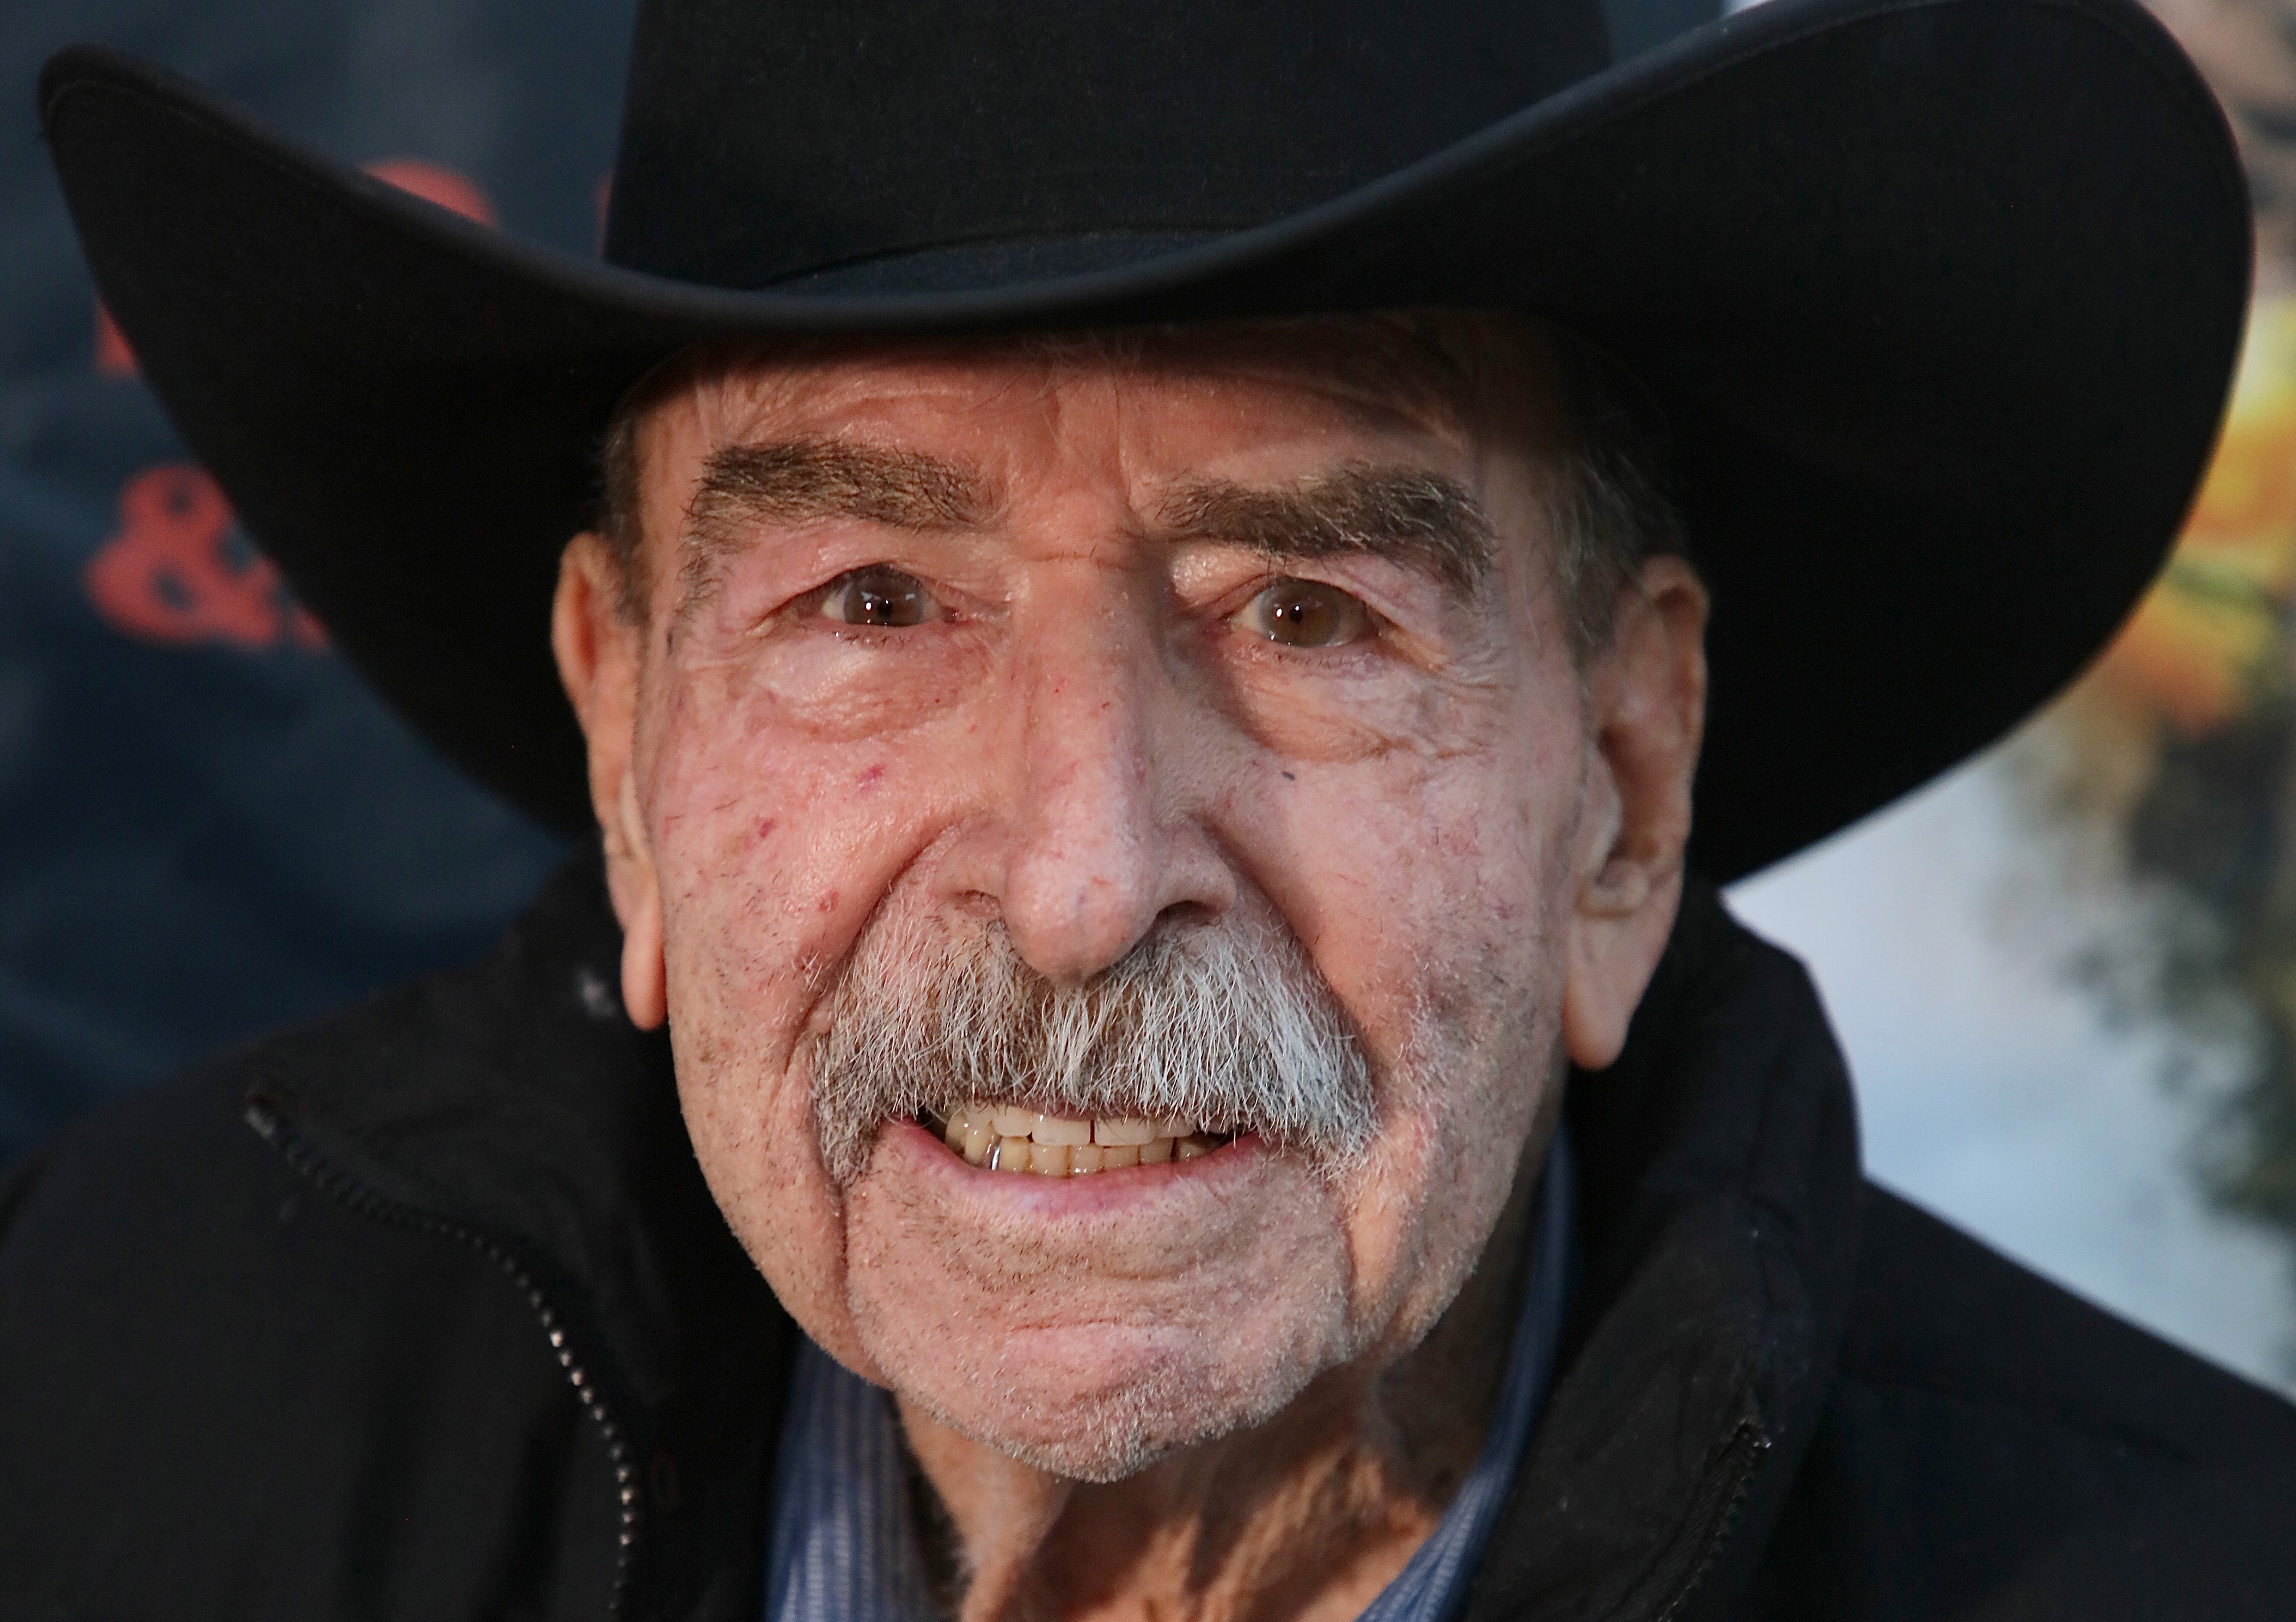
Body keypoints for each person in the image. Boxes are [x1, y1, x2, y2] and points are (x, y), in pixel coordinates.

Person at [6, 0, 2295, 1617]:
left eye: (1306, 612)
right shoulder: (97, 1411)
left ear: (1620, 785)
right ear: (629, 744)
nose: (1083, 884)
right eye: (874, 598)